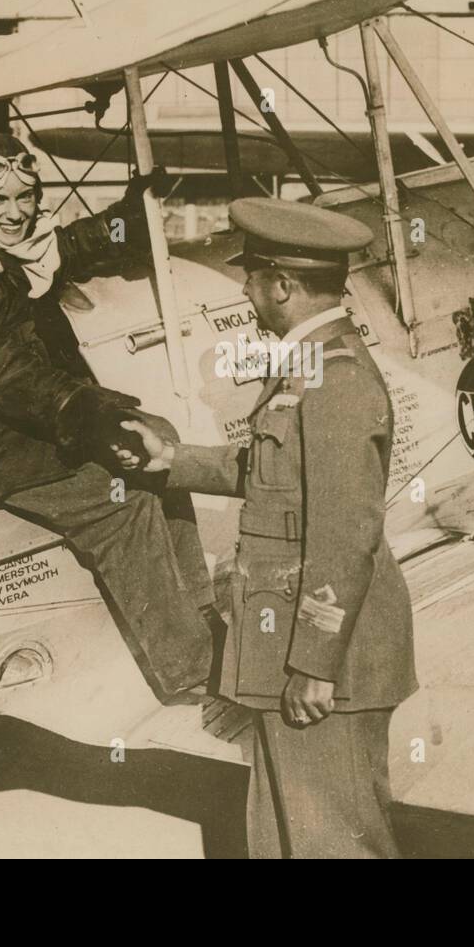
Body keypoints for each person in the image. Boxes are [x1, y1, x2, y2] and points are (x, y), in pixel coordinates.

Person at [115, 198, 417, 858]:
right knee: (289, 838)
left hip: (325, 659)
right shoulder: (308, 363)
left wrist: (313, 664)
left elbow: (345, 533)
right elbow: (276, 471)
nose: (246, 291)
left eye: (251, 277)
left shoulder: (336, 379)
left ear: (282, 285)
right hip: (294, 648)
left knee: (332, 843)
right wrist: (173, 461)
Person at [0, 134, 217, 698]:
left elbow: (65, 246)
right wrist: (82, 407)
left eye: (25, 198)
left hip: (36, 417)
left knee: (160, 441)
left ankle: (200, 612)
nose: (14, 214)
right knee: (120, 504)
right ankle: (192, 673)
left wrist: (127, 218)